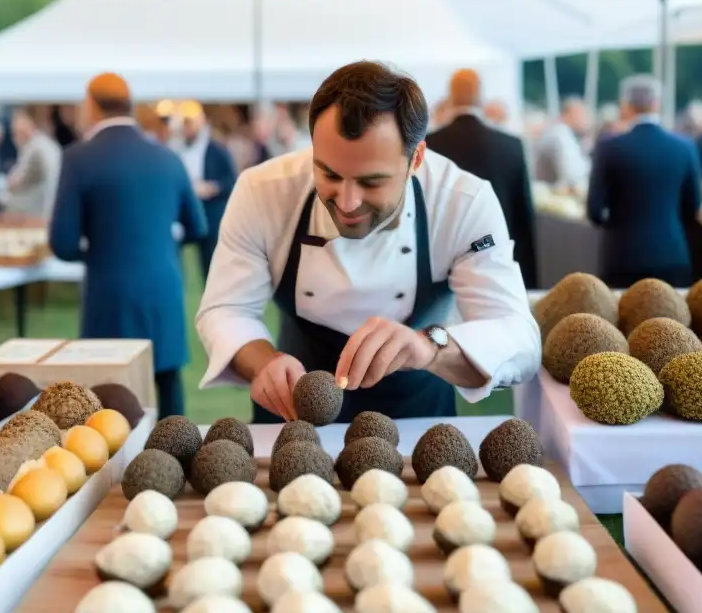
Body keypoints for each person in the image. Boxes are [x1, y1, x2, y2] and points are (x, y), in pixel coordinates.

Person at [196, 60, 540, 424]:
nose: (347, 203)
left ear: (416, 159)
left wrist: (429, 346)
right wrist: (264, 362)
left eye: (371, 182)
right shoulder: (263, 191)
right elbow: (226, 308)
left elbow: (518, 335)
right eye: (328, 174)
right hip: (294, 414)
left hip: (416, 415)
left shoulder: (463, 201)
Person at [49, 73, 208, 418]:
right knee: (167, 382)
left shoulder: (79, 158)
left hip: (110, 289)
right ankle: (179, 460)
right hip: (162, 286)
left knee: (108, 396)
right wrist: (160, 245)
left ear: (91, 105)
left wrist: (100, 251)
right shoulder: (167, 157)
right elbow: (198, 226)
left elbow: (62, 242)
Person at [587, 74, 702, 288]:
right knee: (671, 321)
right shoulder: (685, 147)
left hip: (622, 255)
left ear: (625, 105)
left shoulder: (609, 148)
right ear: (657, 103)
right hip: (671, 253)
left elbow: (594, 211)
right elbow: (694, 206)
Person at [426, 69, 537, 289]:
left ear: (451, 96)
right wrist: (528, 279)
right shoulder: (511, 145)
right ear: (480, 97)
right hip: (498, 256)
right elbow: (524, 217)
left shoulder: (430, 144)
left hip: (442, 263)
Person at [177, 100, 238, 280]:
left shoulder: (216, 150)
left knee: (211, 269)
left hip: (211, 217)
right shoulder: (180, 151)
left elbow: (231, 181)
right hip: (187, 216)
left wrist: (213, 187)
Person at [4, 107, 63, 223]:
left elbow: (15, 182)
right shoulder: (42, 144)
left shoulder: (36, 149)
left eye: (17, 121)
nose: (14, 127)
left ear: (28, 122)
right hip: (43, 210)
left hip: (36, 215)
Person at [534, 97, 591, 194]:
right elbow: (572, 174)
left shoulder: (563, 133)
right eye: (581, 115)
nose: (586, 120)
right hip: (551, 199)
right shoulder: (560, 132)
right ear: (567, 115)